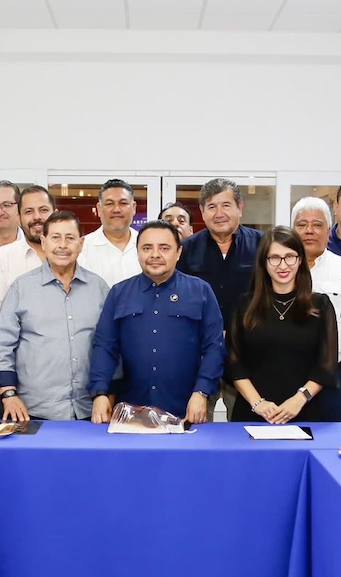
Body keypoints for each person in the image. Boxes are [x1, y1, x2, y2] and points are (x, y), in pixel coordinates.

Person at [90, 221, 225, 424]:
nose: (155, 255)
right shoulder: (119, 293)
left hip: (186, 409)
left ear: (178, 252)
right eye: (147, 248)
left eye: (164, 248)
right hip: (131, 411)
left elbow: (215, 346)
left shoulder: (201, 291)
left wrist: (201, 392)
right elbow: (104, 346)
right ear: (137, 252)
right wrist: (100, 392)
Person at [0, 211, 110, 421]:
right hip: (33, 411)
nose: (62, 245)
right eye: (55, 238)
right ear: (44, 242)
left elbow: (111, 345)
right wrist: (8, 395)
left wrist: (108, 394)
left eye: (70, 238)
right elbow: (2, 347)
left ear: (81, 244)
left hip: (89, 409)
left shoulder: (99, 288)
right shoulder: (22, 288)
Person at [227, 227, 338, 424]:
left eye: (290, 257)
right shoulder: (245, 305)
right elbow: (234, 363)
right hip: (252, 414)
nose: (283, 265)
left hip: (304, 412)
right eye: (274, 258)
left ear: (300, 260)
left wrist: (299, 399)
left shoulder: (320, 305)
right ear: (264, 262)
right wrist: (258, 403)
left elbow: (326, 366)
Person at [177, 178, 263, 417]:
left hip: (249, 356)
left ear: (240, 208)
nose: (219, 213)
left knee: (248, 425)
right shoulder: (185, 250)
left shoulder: (263, 246)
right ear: (202, 212)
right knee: (196, 425)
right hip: (200, 356)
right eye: (212, 207)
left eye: (226, 205)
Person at [291, 197, 341, 419]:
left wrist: (315, 354)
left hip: (332, 375)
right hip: (288, 372)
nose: (309, 231)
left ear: (329, 230)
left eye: (317, 224)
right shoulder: (279, 268)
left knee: (329, 441)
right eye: (302, 225)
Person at [0, 185, 54, 327]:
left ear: (56, 214)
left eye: (44, 210)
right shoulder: (2, 257)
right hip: (19, 346)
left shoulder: (73, 255)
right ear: (19, 218)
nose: (37, 217)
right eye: (29, 211)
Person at [77, 178, 140, 286]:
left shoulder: (147, 246)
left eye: (123, 203)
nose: (116, 209)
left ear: (133, 208)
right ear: (99, 209)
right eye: (109, 204)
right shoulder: (82, 248)